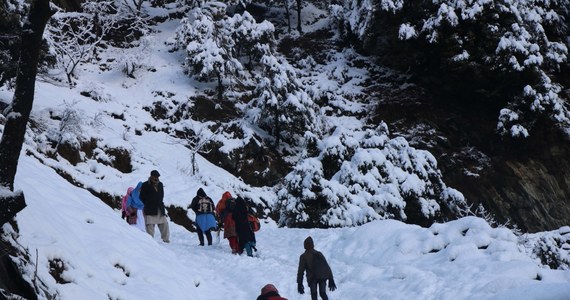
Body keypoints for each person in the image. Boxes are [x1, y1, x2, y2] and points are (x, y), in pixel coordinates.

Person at [139, 170, 170, 243]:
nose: (156, 178)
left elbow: (162, 195)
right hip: (150, 208)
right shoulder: (145, 185)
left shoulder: (160, 184)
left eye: (157, 177)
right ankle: (150, 241)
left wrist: (159, 201)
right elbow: (141, 196)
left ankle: (166, 239)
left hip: (159, 207)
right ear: (151, 176)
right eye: (155, 177)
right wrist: (147, 202)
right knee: (149, 225)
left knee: (164, 224)